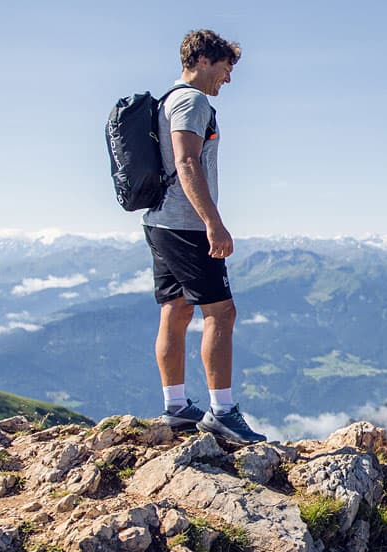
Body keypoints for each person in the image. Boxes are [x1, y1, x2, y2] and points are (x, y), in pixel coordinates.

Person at [146, 29, 265, 445]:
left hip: (161, 221)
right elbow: (186, 162)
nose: (228, 78)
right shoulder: (192, 101)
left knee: (176, 310)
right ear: (202, 60)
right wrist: (213, 222)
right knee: (221, 313)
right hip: (186, 224)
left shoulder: (167, 100)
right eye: (225, 68)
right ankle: (223, 412)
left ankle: (176, 406)